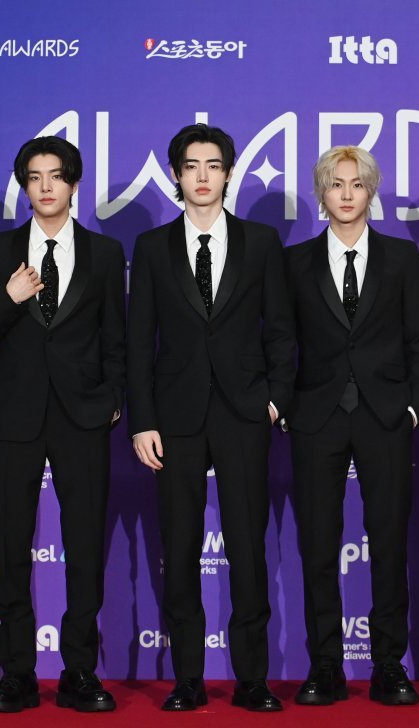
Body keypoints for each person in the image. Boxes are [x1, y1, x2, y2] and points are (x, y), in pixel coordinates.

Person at [127, 123, 295, 712]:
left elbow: (281, 331)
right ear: (176, 174)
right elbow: (138, 341)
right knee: (179, 549)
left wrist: (274, 400)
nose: (202, 176)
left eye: (213, 165)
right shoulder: (152, 247)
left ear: (228, 173)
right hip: (174, 418)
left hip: (245, 412)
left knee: (248, 548)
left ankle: (253, 679)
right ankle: (188, 680)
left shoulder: (261, 242)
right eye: (191, 165)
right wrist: (142, 420)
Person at [0, 136, 124, 713]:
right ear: (24, 186)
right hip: (15, 415)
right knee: (11, 546)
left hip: (84, 415)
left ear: (74, 183)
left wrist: (114, 398)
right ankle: (17, 674)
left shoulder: (104, 252)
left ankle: (80, 671)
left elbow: (117, 337)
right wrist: (8, 298)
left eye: (56, 176)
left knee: (85, 544)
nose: (46, 186)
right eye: (34, 177)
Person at [284, 146, 419, 707]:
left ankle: (389, 665)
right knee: (317, 546)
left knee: (389, 544)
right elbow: (281, 340)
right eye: (335, 184)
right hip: (315, 418)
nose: (346, 194)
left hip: (386, 416)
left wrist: (414, 408)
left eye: (356, 184)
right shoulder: (295, 262)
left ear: (371, 191)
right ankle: (325, 666)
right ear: (321, 193)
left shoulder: (401, 258)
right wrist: (287, 406)